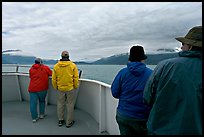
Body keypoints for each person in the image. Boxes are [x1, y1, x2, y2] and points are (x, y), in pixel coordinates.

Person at [143, 26, 202, 135]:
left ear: (190, 47)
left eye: (183, 44)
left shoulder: (165, 65)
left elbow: (147, 98)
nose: (181, 47)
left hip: (161, 130)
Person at [111, 45, 152, 135]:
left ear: (130, 58)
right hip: (143, 117)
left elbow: (115, 93)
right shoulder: (151, 74)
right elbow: (154, 96)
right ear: (143, 58)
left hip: (124, 115)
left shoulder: (122, 73)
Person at [52, 50, 79, 128]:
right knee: (70, 105)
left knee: (60, 104)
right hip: (70, 88)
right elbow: (76, 78)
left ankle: (60, 120)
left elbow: (54, 79)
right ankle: (69, 122)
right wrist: (75, 86)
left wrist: (55, 86)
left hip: (60, 88)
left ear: (61, 57)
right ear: (68, 56)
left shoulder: (56, 66)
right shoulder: (73, 65)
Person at [28, 58, 52, 123]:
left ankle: (34, 118)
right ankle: (42, 114)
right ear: (41, 62)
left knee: (33, 103)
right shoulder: (45, 68)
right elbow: (51, 74)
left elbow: (30, 76)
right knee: (42, 101)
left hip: (32, 88)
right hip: (42, 88)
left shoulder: (31, 69)